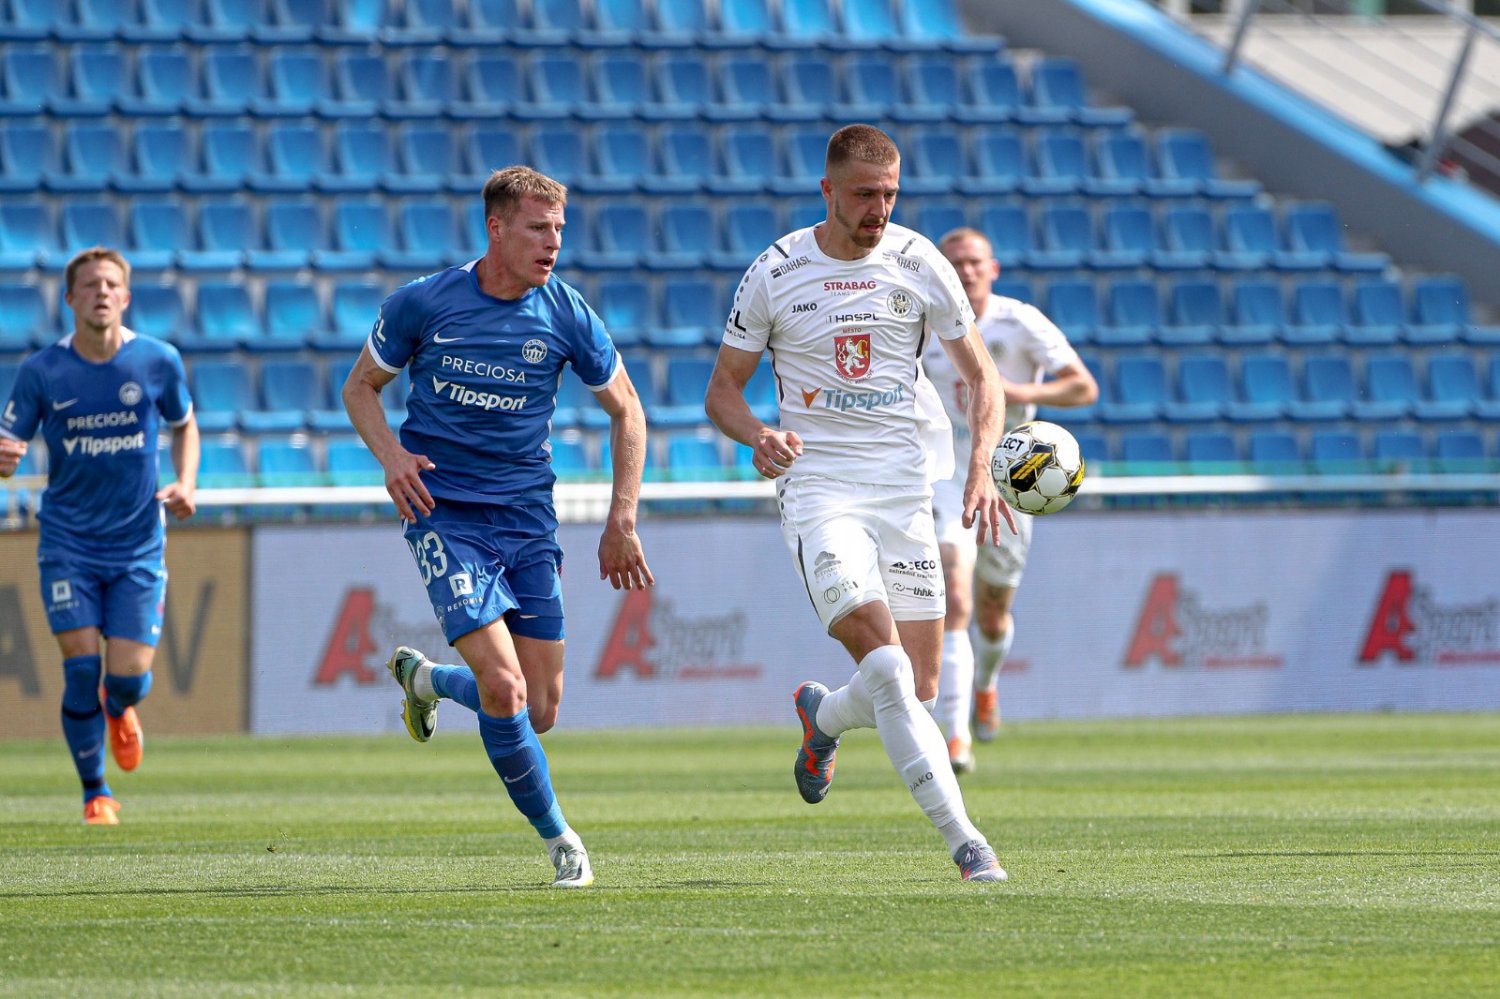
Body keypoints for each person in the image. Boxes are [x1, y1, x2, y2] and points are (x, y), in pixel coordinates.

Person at [705, 124, 1015, 882]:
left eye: (890, 195)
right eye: (865, 194)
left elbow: (983, 378)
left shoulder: (919, 261)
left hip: (905, 491)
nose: (879, 209)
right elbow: (722, 392)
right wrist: (759, 435)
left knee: (918, 685)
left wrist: (980, 465)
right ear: (828, 191)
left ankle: (823, 716)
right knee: (886, 665)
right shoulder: (776, 271)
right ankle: (967, 843)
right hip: (820, 492)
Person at [341, 165, 653, 889]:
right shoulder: (424, 303)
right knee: (505, 689)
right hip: (443, 512)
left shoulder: (565, 311)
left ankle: (426, 680)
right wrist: (392, 457)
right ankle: (562, 841)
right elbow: (360, 387)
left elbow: (628, 408)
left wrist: (622, 515)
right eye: (538, 228)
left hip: (526, 518)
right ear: (497, 228)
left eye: (559, 230)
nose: (553, 243)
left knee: (539, 709)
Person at [0, 247, 199, 825]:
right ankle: (96, 793)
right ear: (70, 299)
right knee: (82, 670)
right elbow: (8, 447)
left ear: (126, 297)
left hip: (137, 544)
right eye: (90, 285)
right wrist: (5, 460)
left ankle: (120, 707)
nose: (102, 292)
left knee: (128, 680)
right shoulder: (42, 372)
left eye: (111, 284)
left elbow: (185, 426)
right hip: (68, 544)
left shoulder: (157, 360)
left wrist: (186, 482)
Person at [926, 228, 1098, 772]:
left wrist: (1018, 393)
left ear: (992, 269)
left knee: (993, 614)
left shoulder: (1019, 321)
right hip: (945, 473)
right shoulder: (923, 322)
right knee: (955, 597)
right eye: (955, 262)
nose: (966, 270)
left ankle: (985, 683)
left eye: (975, 261)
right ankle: (956, 736)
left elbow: (1083, 387)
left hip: (1011, 476)